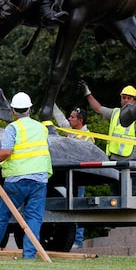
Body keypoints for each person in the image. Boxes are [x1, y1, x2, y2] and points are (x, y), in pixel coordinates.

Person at [0, 92, 52, 259]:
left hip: (17, 179)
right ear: (30, 109)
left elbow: (6, 152)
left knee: (3, 216)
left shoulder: (13, 128)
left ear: (12, 111)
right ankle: (29, 255)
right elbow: (45, 149)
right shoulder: (42, 128)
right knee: (33, 219)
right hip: (39, 179)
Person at [79, 81, 136, 162]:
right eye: (124, 97)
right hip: (113, 158)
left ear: (134, 100)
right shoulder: (115, 113)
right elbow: (98, 109)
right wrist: (88, 94)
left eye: (129, 98)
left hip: (130, 159)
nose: (126, 100)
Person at [52, 104, 91, 248]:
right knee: (70, 207)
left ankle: (78, 241)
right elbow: (61, 120)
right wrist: (53, 104)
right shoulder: (72, 131)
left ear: (80, 121)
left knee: (77, 208)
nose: (69, 119)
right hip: (70, 178)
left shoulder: (86, 137)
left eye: (72, 117)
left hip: (79, 179)